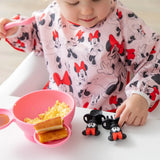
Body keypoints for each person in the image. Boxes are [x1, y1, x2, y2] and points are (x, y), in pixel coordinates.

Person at [0, 0, 160, 127]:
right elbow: (34, 36)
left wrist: (140, 96)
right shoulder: (50, 16)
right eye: (73, 2)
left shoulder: (123, 21)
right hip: (58, 109)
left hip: (110, 113)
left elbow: (154, 57)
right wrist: (15, 30)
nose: (87, 11)